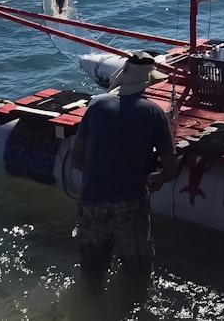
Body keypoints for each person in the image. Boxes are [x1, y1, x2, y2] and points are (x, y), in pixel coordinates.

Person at [71, 50, 178, 290]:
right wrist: (158, 178)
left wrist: (101, 172)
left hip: (92, 201)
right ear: (147, 83)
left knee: (92, 275)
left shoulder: (97, 105)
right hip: (131, 202)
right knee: (138, 275)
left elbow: (77, 160)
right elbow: (171, 169)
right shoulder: (154, 113)